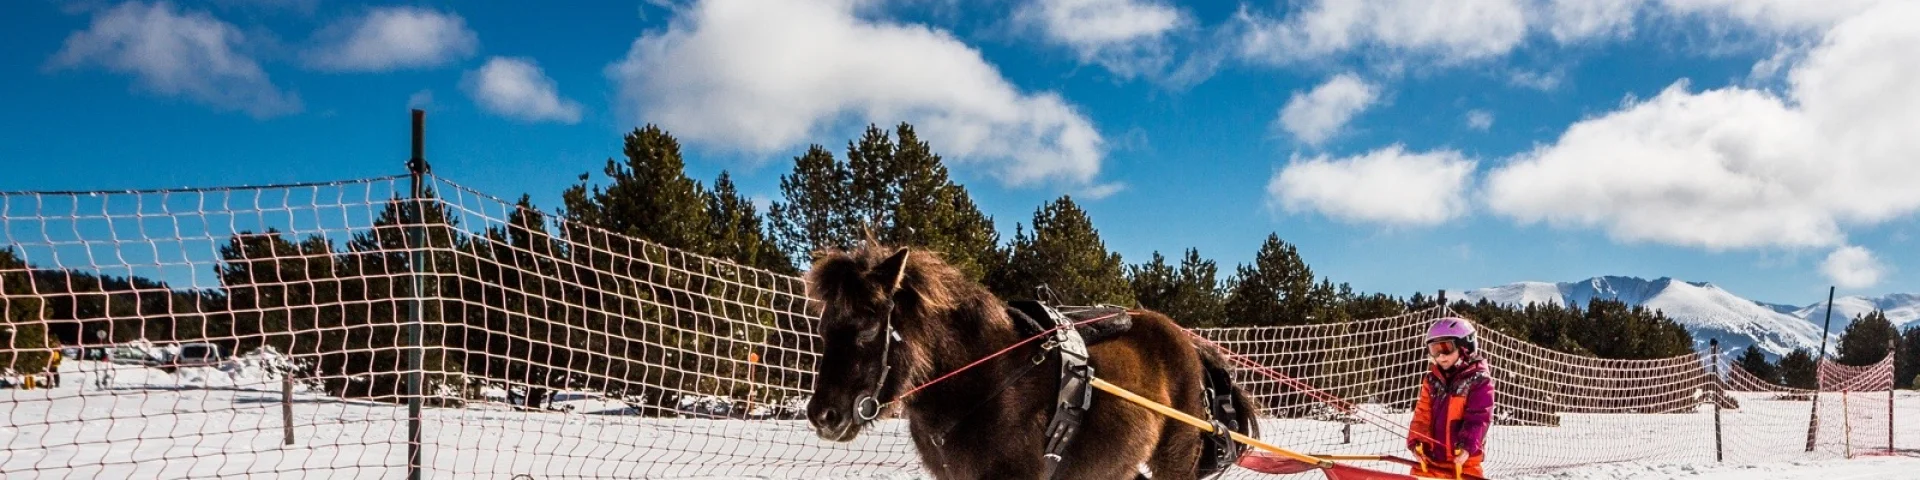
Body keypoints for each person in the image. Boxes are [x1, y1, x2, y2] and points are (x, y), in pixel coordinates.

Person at [1407, 316, 1495, 479]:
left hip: (1463, 462)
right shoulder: (1432, 381)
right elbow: (1422, 415)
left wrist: (1467, 446)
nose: (1440, 356)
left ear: (1465, 347)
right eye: (1434, 350)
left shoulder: (1478, 380)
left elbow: (1479, 418)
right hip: (1431, 461)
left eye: (1446, 347)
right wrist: (1416, 442)